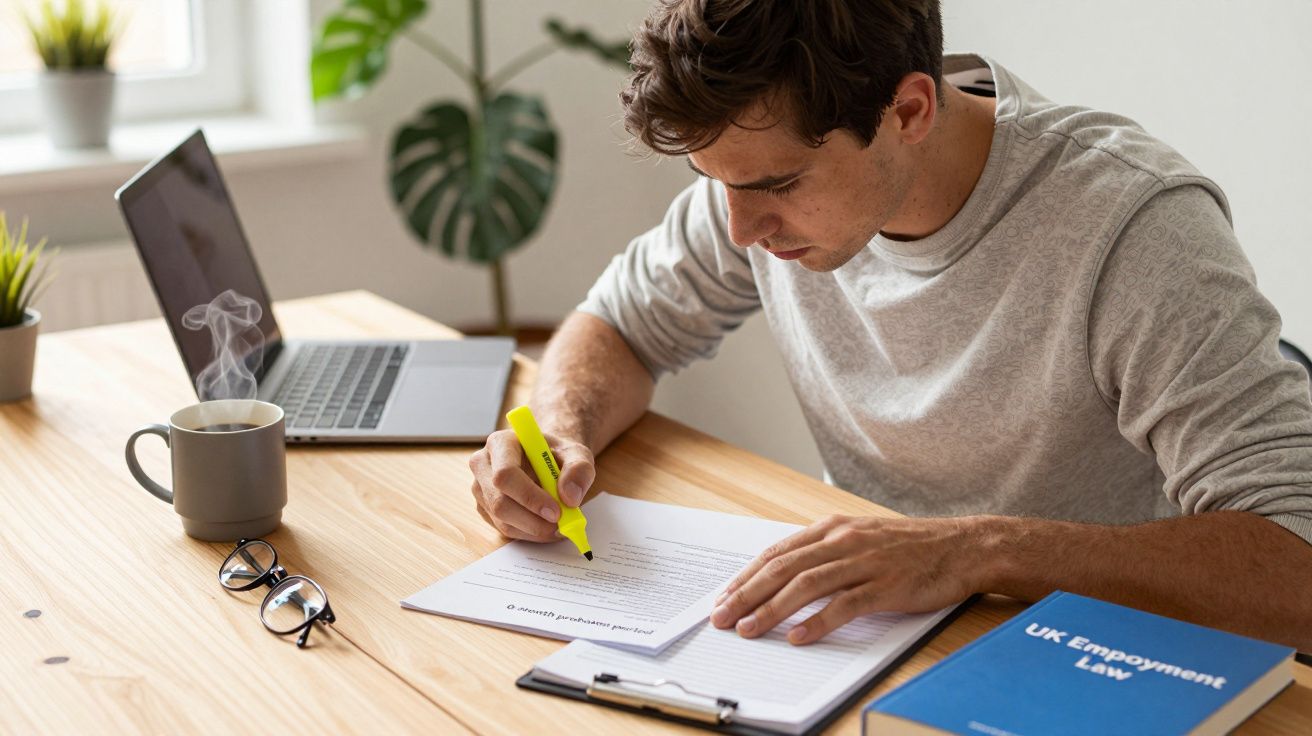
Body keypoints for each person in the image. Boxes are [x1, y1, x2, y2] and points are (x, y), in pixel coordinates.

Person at [468, 0, 1312, 650]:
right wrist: (556, 434)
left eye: (775, 185)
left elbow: (1296, 567)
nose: (739, 232)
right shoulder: (759, 176)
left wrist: (977, 551)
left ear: (909, 112)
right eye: (713, 182)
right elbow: (619, 324)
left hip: (1103, 650)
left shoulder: (1134, 228)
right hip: (879, 633)